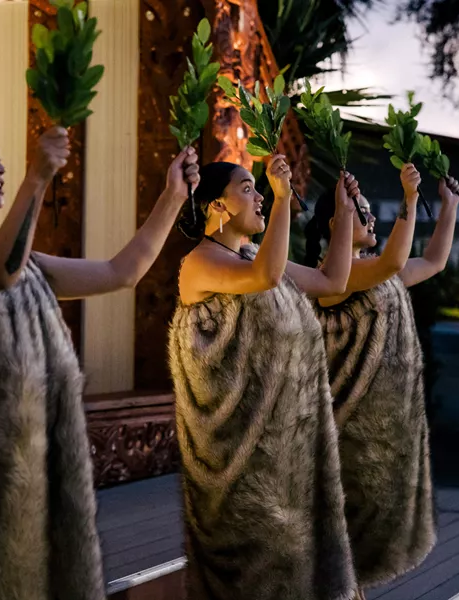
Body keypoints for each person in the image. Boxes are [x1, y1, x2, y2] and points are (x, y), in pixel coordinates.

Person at [0, 120, 199, 600]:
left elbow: (122, 272)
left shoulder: (24, 262)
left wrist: (173, 195)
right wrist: (38, 177)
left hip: (24, 482)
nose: (0, 167)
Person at [168, 155, 362, 600]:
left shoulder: (252, 253)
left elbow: (332, 281)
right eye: (247, 188)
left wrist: (344, 213)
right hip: (232, 449)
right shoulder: (198, 264)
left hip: (278, 439)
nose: (257, 196)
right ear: (217, 206)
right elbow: (266, 278)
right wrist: (279, 198)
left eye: (258, 188)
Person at [305, 164, 459, 597]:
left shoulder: (372, 271)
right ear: (335, 221)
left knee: (356, 554)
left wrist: (447, 206)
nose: (372, 218)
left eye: (373, 212)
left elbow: (432, 261)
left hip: (378, 433)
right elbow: (394, 259)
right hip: (344, 430)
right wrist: (409, 199)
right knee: (339, 553)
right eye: (362, 211)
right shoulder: (332, 278)